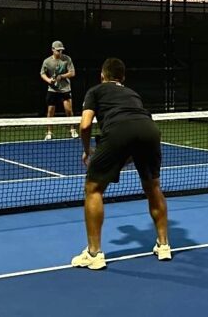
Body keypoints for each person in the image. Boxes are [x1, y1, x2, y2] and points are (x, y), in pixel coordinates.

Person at [71, 57, 171, 270]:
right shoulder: (132, 93)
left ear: (102, 75)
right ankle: (164, 245)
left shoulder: (95, 91)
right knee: (153, 186)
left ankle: (94, 254)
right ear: (122, 78)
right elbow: (137, 130)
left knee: (93, 189)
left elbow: (85, 125)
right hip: (149, 130)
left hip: (118, 132)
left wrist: (87, 150)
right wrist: (121, 159)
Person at [39, 40, 77, 139]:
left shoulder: (67, 59)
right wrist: (48, 80)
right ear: (52, 50)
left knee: (69, 110)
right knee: (50, 111)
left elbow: (72, 73)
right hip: (52, 90)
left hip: (65, 89)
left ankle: (72, 130)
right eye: (58, 50)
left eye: (61, 50)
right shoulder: (47, 61)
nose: (60, 52)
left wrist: (62, 76)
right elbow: (42, 73)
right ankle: (49, 132)